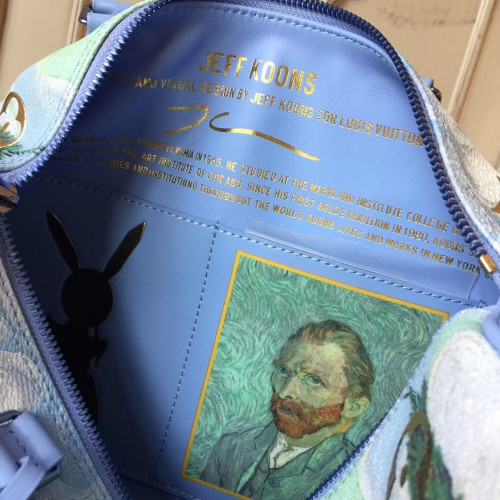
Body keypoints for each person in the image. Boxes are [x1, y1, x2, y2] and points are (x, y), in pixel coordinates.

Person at [200, 320, 374, 499]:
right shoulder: (231, 447)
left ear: (353, 407)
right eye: (283, 370)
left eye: (313, 380)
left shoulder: (353, 479)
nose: (285, 392)